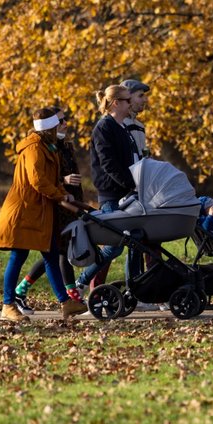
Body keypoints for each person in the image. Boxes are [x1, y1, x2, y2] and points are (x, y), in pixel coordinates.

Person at [0, 106, 88, 322]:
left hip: (39, 211)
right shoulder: (35, 148)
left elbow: (50, 179)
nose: (64, 125)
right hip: (25, 211)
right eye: (60, 122)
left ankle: (66, 303)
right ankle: (8, 304)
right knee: (19, 256)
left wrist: (63, 193)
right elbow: (37, 181)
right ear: (51, 126)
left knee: (51, 255)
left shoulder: (48, 146)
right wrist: (60, 195)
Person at [75, 85, 140, 295]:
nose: (131, 104)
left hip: (126, 193)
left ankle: (136, 290)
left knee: (135, 240)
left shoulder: (122, 128)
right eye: (128, 101)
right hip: (112, 194)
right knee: (114, 245)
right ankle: (82, 282)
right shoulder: (104, 128)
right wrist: (130, 183)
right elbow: (108, 164)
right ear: (116, 103)